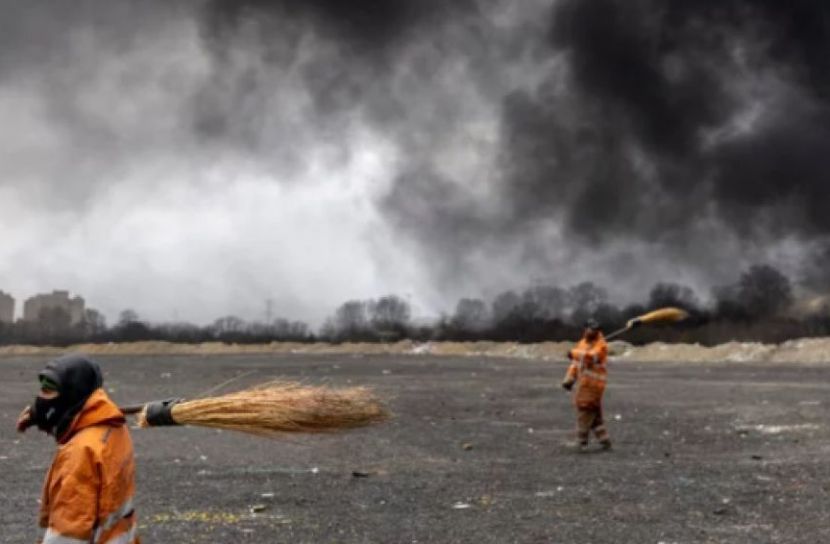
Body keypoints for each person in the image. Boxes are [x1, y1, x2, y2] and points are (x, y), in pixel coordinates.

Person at [16, 354, 140, 544]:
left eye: (48, 390)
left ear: (71, 395)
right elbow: (69, 416)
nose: (41, 397)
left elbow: (68, 534)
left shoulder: (80, 453)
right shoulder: (113, 427)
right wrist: (38, 415)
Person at [561, 319, 612, 451]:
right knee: (593, 413)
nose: (593, 331)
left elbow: (590, 357)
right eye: (590, 328)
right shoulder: (582, 343)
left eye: (595, 329)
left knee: (585, 408)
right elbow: (576, 364)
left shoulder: (601, 345)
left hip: (594, 385)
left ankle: (581, 441)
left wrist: (573, 354)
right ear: (585, 329)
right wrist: (569, 379)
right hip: (584, 383)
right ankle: (604, 440)